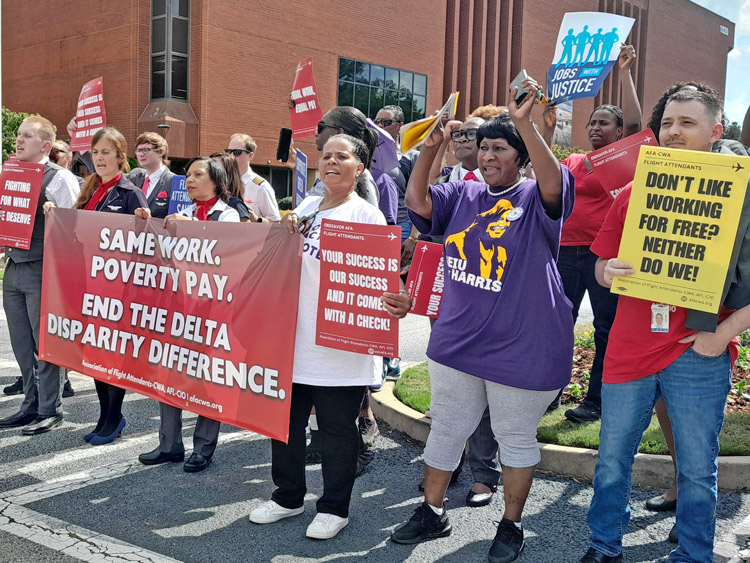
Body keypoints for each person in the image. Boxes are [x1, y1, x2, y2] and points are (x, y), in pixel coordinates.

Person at [390, 75, 574, 563]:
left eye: (501, 148)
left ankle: (510, 525)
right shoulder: (462, 194)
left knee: (514, 438)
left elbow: (555, 183)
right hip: (459, 340)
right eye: (484, 147)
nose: (489, 156)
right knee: (449, 426)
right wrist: (430, 150)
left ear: (521, 157)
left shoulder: (536, 198)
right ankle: (431, 511)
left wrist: (524, 123)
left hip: (523, 343)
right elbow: (418, 203)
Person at [578, 88, 750, 563]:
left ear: (716, 132)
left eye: (687, 123)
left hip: (698, 347)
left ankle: (694, 554)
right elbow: (599, 263)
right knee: (612, 461)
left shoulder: (740, 194)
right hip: (630, 348)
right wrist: (606, 271)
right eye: (669, 122)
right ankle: (603, 543)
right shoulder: (636, 190)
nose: (674, 131)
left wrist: (726, 331)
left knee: (697, 469)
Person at [248, 134, 410, 539]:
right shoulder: (304, 207)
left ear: (360, 168)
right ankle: (287, 497)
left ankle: (335, 507)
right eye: (327, 156)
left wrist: (396, 301)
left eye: (343, 156)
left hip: (340, 348)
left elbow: (380, 284)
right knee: (284, 424)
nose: (332, 162)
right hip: (292, 341)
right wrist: (280, 230)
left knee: (337, 431)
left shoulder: (367, 217)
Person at [541, 44, 641, 422]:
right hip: (564, 252)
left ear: (617, 131)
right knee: (558, 324)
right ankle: (552, 392)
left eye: (604, 123)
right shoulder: (574, 160)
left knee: (605, 329)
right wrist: (547, 132)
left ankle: (596, 400)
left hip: (604, 258)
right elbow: (546, 177)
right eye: (592, 123)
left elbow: (635, 126)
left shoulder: (623, 161)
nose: (596, 128)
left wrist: (625, 73)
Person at [136, 156, 239, 472]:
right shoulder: (183, 215)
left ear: (216, 180)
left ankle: (203, 448)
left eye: (197, 174)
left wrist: (197, 228)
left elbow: (229, 257)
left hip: (211, 313)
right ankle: (169, 445)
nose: (189, 179)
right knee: (170, 373)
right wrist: (148, 220)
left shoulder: (229, 216)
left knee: (206, 379)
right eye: (188, 174)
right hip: (178, 309)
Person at [45, 127, 147, 444]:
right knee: (96, 356)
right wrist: (56, 214)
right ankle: (106, 415)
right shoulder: (90, 191)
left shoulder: (131, 194)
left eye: (106, 152)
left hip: (119, 294)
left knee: (113, 357)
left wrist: (144, 223)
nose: (100, 158)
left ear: (120, 156)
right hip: (90, 289)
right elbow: (75, 231)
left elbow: (145, 246)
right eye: (96, 152)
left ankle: (113, 418)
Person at [0, 116, 80, 435]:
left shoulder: (60, 179)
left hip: (43, 269)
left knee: (44, 343)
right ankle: (30, 405)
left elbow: (76, 227)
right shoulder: (9, 174)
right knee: (21, 343)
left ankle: (50, 409)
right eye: (18, 135)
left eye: (27, 136)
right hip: (14, 267)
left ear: (45, 145)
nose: (19, 140)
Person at [226, 133, 281, 221]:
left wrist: (256, 219)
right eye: (229, 152)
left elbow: (275, 222)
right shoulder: (222, 182)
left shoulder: (261, 187)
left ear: (250, 156)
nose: (231, 156)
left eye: (237, 152)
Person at [127, 132, 174, 218]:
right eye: (138, 151)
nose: (141, 154)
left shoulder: (173, 181)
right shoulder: (134, 177)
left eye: (145, 150)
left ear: (161, 151)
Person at [210, 152, 254, 222]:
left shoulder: (235, 204)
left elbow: (246, 230)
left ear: (228, 175)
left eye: (214, 169)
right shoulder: (200, 203)